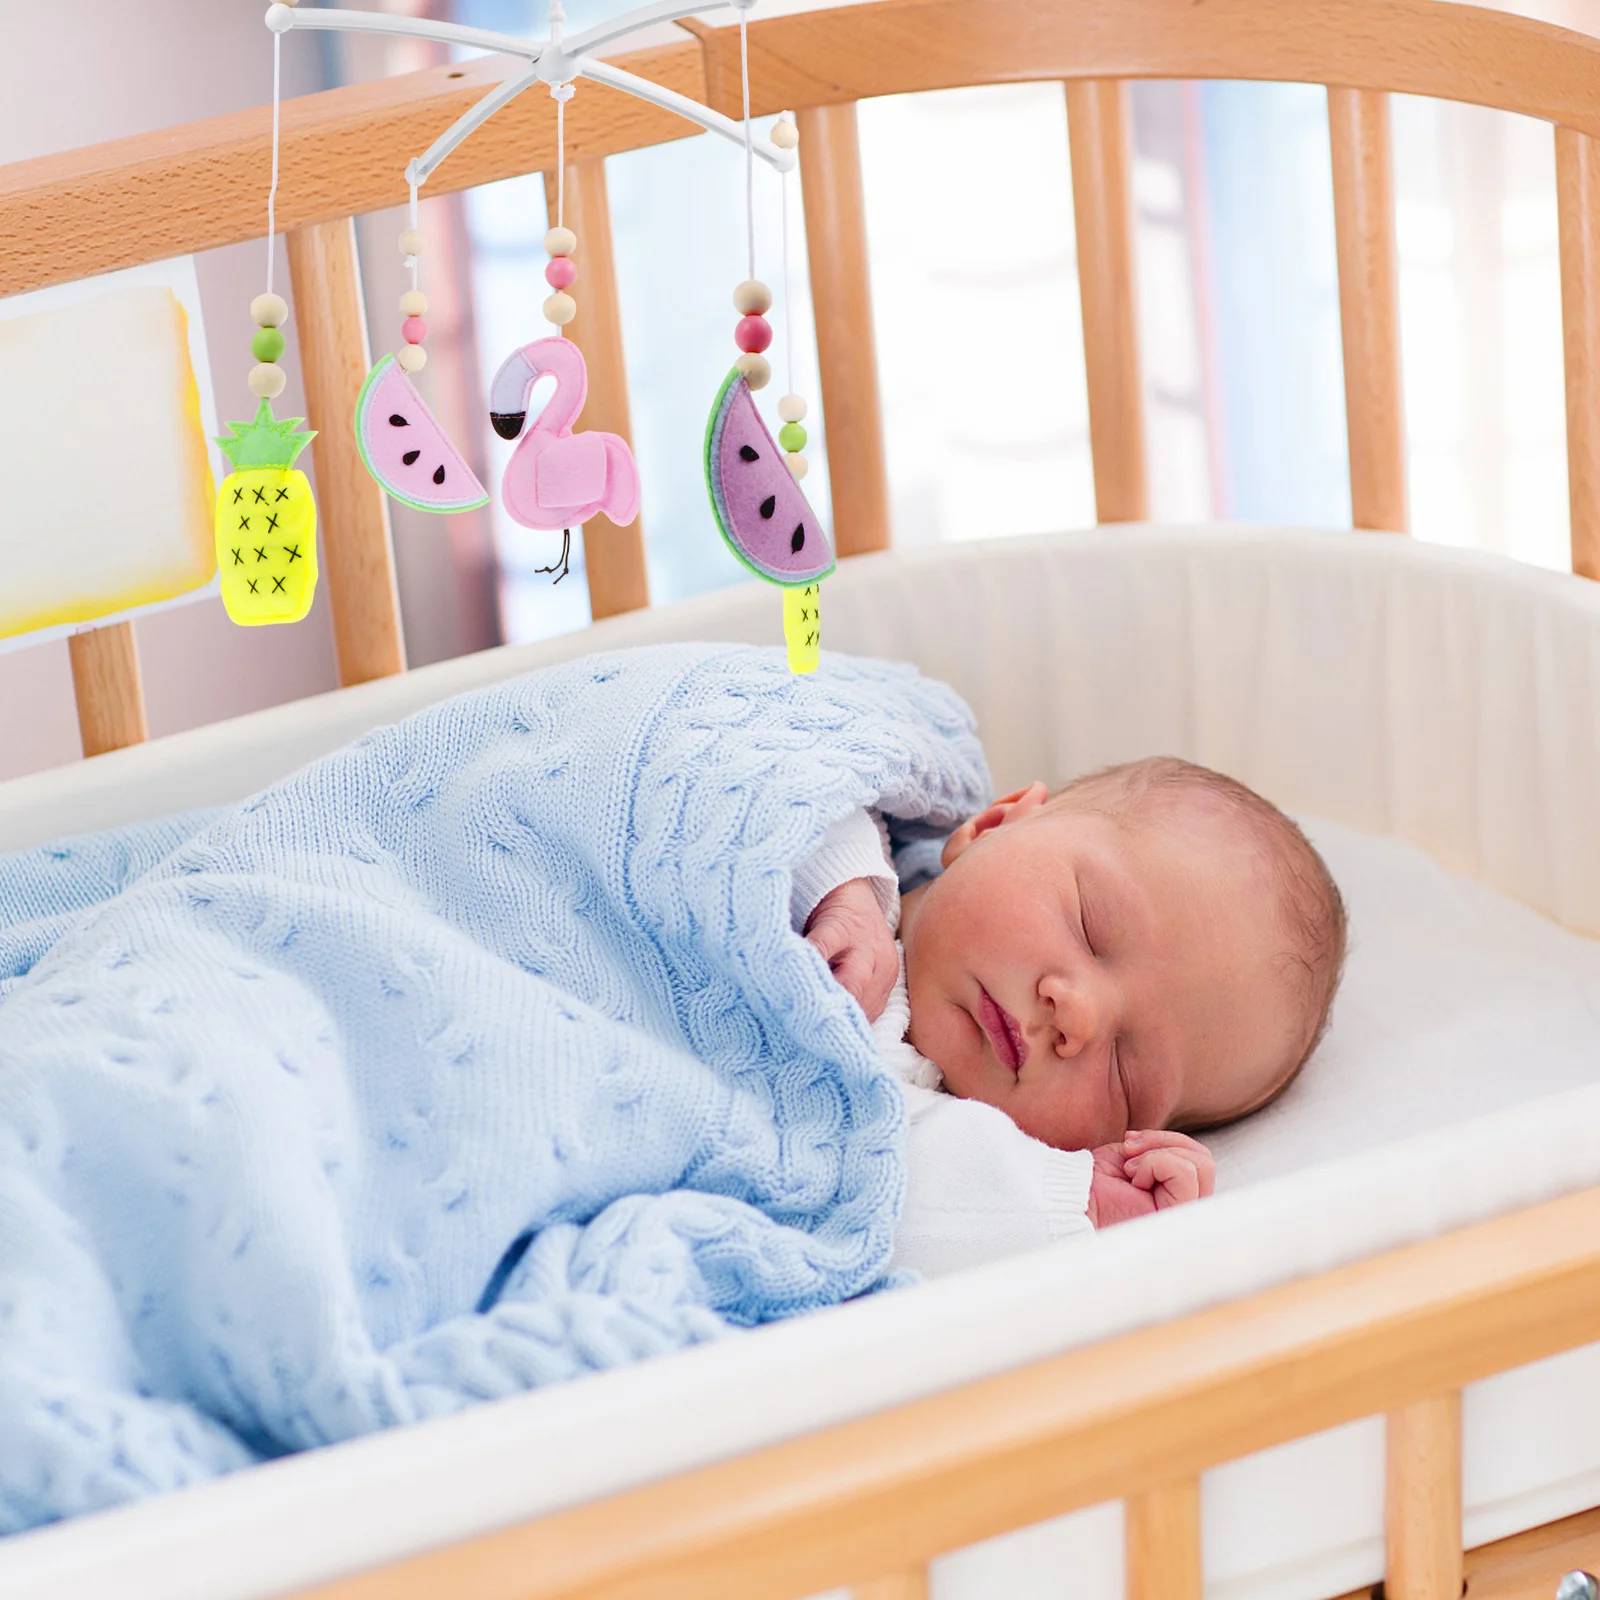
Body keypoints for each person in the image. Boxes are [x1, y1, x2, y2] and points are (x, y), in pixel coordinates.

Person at [791, 756, 1348, 1273]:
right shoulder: (851, 835)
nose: (1077, 1018)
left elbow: (874, 1214)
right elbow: (772, 771)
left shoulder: (942, 1147)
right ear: (993, 824)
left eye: (1126, 1074)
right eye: (1091, 925)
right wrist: (844, 888)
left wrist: (1080, 1199)